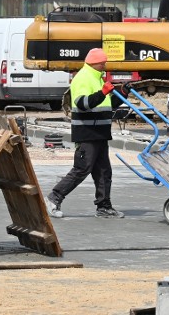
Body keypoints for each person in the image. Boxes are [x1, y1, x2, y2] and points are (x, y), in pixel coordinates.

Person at [46, 48, 126, 219]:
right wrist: (103, 92)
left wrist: (121, 95)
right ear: (95, 62)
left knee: (104, 171)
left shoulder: (97, 78)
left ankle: (104, 206)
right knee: (82, 169)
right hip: (87, 132)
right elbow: (83, 103)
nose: (105, 65)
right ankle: (55, 197)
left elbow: (106, 105)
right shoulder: (83, 77)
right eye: (103, 62)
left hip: (99, 132)